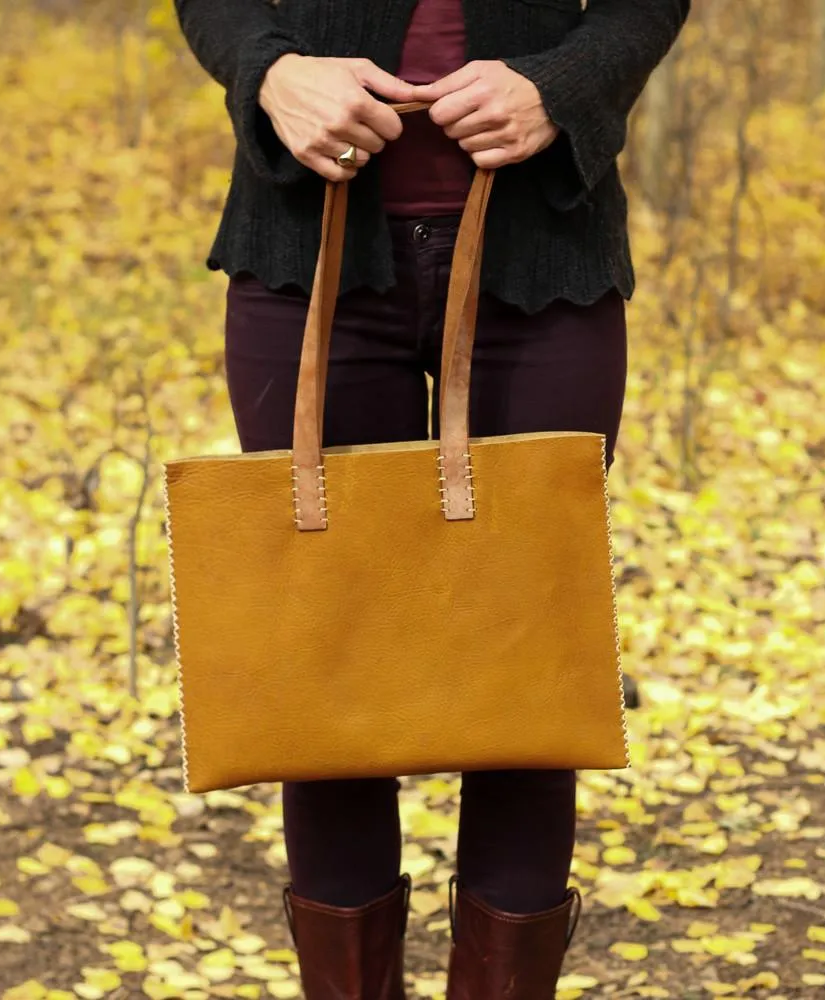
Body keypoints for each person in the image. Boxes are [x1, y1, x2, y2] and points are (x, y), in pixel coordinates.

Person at [174, 1, 688, 996]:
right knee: (328, 672)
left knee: (526, 668)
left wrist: (563, 84)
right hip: (304, 247)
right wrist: (274, 74)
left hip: (543, 255)